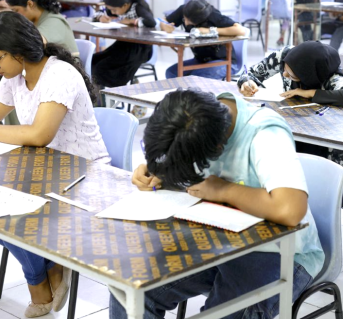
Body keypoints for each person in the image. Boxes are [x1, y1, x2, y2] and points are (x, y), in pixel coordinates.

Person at [113, 88, 324, 319]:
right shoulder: (193, 116)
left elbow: (290, 209)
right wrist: (163, 169)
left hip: (280, 253)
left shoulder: (264, 133)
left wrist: (224, 190)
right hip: (219, 241)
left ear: (218, 148)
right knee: (130, 290)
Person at [0, 12, 110, 317]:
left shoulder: (59, 75)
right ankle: (49, 265)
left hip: (82, 175)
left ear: (18, 52)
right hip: (40, 169)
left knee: (8, 216)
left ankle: (37, 280)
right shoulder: (16, 76)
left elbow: (39, 135)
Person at [238, 41, 343, 226]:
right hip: (293, 125)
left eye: (291, 75)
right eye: (285, 70)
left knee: (297, 164)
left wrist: (310, 93)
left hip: (323, 136)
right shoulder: (288, 57)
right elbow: (249, 73)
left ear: (308, 75)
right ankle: (275, 202)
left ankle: (305, 211)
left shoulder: (329, 73)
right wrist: (246, 82)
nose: (284, 75)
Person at [160, 0, 247, 79]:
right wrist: (165, 26)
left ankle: (191, 89)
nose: (185, 23)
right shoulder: (185, 10)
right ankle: (183, 90)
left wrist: (209, 30)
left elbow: (241, 30)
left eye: (189, 21)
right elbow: (164, 21)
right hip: (201, 60)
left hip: (223, 61)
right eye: (184, 19)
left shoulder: (213, 15)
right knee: (172, 72)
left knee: (196, 76)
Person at [92, 0, 156, 88]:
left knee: (101, 68)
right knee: (93, 60)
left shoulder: (137, 7)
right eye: (110, 9)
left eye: (114, 10)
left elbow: (151, 22)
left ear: (125, 5)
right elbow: (98, 13)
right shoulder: (116, 7)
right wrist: (100, 17)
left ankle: (108, 92)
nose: (112, 12)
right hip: (123, 44)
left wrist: (131, 21)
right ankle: (98, 91)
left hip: (140, 49)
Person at [5, 0, 78, 53]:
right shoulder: (34, 20)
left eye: (16, 10)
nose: (14, 15)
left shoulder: (55, 21)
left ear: (30, 4)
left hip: (65, 61)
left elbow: (34, 44)